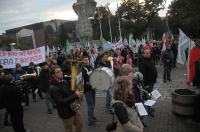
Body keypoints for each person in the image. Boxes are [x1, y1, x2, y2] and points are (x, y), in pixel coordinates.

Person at [49, 65, 83, 132]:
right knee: (68, 130)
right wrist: (75, 95)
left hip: (73, 109)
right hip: (65, 113)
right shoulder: (53, 88)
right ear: (53, 75)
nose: (61, 72)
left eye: (61, 71)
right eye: (58, 72)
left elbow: (70, 93)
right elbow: (61, 102)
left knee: (79, 125)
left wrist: (76, 91)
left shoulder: (64, 81)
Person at [81, 56, 97, 126]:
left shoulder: (90, 66)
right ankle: (90, 120)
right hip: (87, 90)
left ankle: (92, 116)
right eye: (85, 60)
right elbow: (83, 82)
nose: (87, 61)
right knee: (90, 105)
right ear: (83, 61)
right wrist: (91, 86)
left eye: (87, 59)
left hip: (93, 88)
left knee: (93, 104)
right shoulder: (83, 69)